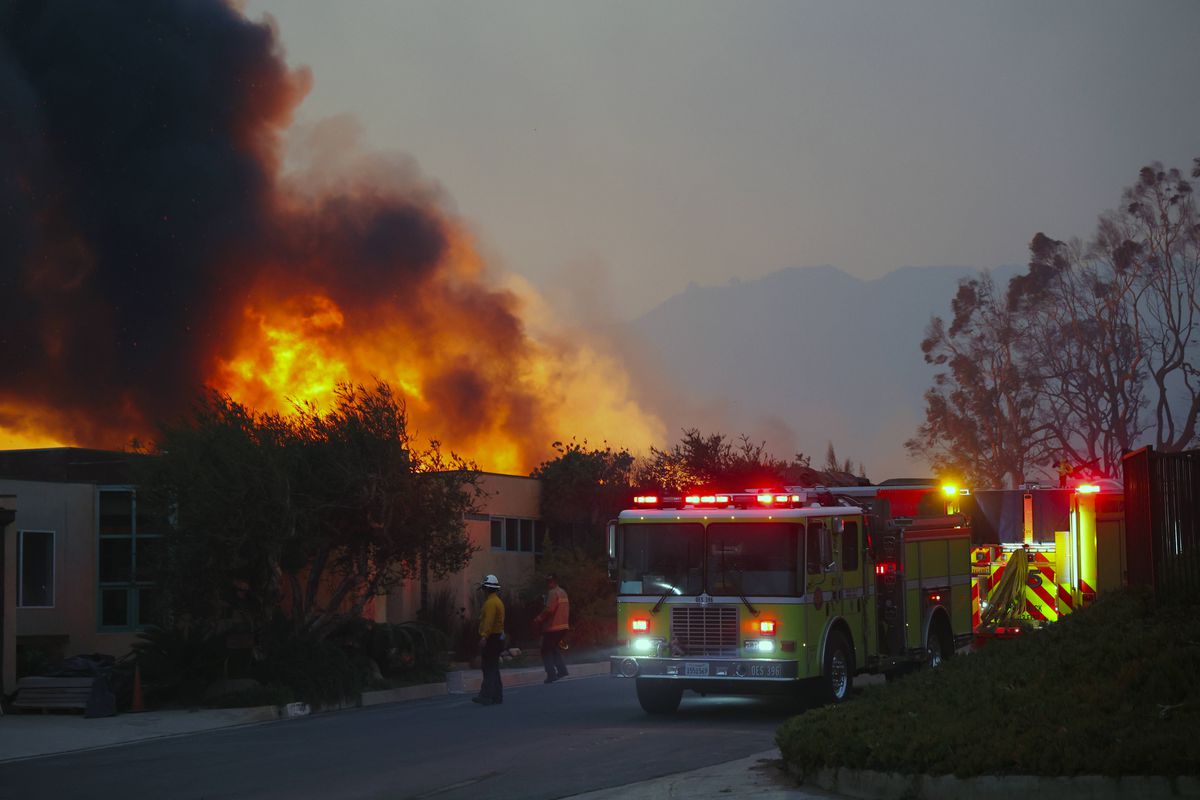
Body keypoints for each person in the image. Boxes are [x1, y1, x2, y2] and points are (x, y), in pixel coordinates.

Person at [473, 573, 505, 706]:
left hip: (492, 638)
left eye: (484, 589)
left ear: (487, 588)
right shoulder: (497, 601)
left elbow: (488, 621)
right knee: (493, 667)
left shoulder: (490, 603)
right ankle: (497, 696)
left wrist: (484, 636)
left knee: (488, 667)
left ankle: (486, 695)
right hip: (497, 638)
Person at [533, 573, 570, 683]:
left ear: (553, 582)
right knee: (553, 648)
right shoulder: (563, 592)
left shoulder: (553, 593)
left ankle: (551, 674)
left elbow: (549, 609)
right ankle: (562, 670)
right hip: (563, 626)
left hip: (553, 627)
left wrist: (538, 619)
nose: (548, 584)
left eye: (549, 582)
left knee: (545, 650)